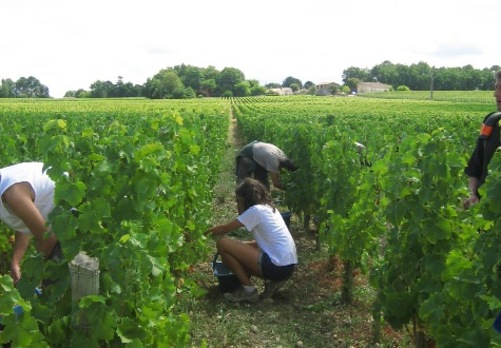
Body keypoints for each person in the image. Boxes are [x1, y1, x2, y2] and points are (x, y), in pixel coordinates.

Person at [206, 178, 298, 302]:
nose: (237, 203)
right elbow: (269, 243)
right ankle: (271, 282)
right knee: (238, 248)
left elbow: (224, 229)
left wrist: (201, 234)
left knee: (223, 243)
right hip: (287, 267)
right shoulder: (269, 209)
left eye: (238, 200)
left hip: (276, 266)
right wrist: (243, 246)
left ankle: (249, 292)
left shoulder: (256, 211)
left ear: (246, 199)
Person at [0, 161, 60, 284]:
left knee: (53, 286)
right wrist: (16, 261)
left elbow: (48, 239)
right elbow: (27, 220)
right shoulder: (5, 183)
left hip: (72, 223)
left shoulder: (13, 194)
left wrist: (30, 278)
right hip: (59, 223)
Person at [463, 70, 501, 209]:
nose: (495, 94)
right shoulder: (491, 122)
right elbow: (475, 170)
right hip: (485, 217)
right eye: (496, 87)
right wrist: (472, 193)